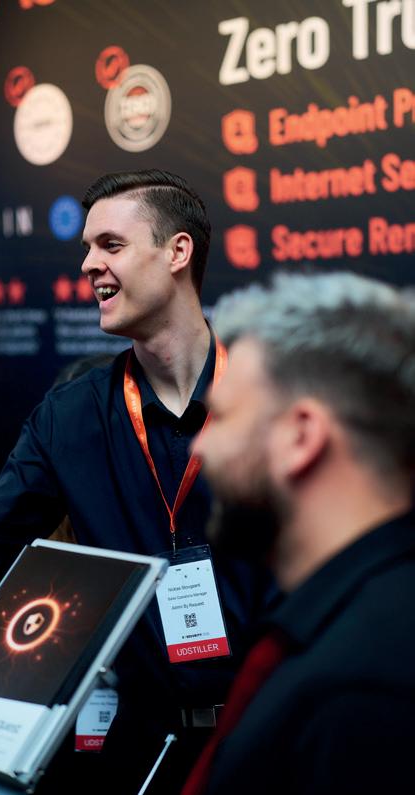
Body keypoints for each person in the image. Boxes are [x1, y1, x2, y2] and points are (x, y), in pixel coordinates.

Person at [0, 170, 272, 793]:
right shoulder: (70, 417)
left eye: (111, 245)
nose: (88, 264)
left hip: (267, 737)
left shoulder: (272, 399)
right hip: (139, 749)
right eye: (86, 248)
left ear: (177, 252)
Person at [183, 271, 415, 795]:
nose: (200, 448)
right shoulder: (346, 630)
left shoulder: (363, 694)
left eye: (221, 417)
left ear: (301, 436)